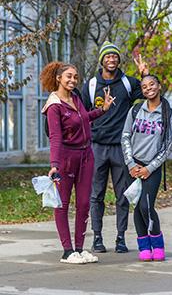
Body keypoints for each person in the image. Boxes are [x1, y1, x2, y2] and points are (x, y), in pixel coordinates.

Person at [40, 61, 115, 264]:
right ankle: (67, 251)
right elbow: (55, 137)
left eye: (75, 76)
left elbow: (83, 118)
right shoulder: (54, 105)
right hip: (65, 158)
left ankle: (80, 249)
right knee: (62, 204)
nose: (73, 80)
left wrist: (102, 110)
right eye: (69, 76)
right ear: (58, 78)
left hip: (86, 156)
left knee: (83, 203)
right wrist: (54, 164)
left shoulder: (75, 97)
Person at [82, 42, 147, 253]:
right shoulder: (91, 85)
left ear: (119, 60)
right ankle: (97, 238)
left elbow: (150, 93)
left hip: (121, 148)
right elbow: (82, 115)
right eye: (108, 57)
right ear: (102, 60)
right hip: (97, 147)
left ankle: (120, 238)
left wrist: (146, 74)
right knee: (96, 195)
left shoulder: (128, 83)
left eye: (115, 57)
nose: (112, 60)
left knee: (123, 195)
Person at [121, 74, 172, 261]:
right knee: (137, 207)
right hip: (133, 165)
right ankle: (144, 247)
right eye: (144, 86)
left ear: (159, 86)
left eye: (152, 84)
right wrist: (130, 163)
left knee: (146, 205)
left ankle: (158, 243)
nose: (148, 88)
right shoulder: (135, 110)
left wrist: (150, 168)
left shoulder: (169, 114)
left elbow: (168, 146)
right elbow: (125, 137)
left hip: (152, 167)